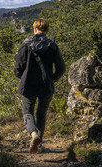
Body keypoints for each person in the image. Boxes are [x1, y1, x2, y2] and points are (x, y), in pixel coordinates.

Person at [14, 19, 65, 154]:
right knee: (41, 114)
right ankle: (39, 144)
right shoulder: (52, 45)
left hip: (28, 84)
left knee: (27, 112)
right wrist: (52, 79)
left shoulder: (26, 45)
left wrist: (22, 77)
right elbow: (61, 67)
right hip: (46, 84)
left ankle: (34, 135)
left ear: (35, 29)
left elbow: (18, 66)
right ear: (47, 31)